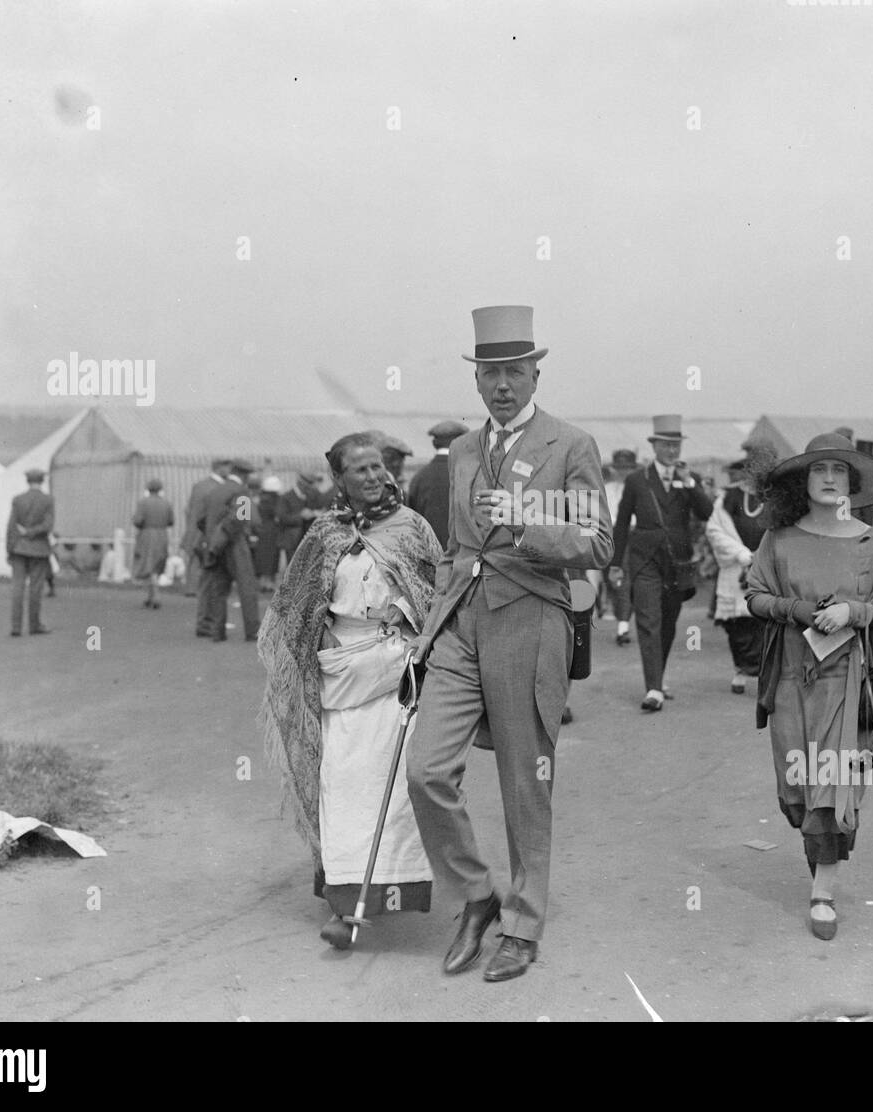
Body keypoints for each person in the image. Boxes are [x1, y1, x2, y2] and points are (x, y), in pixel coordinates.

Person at [404, 304, 612, 982]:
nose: (502, 385)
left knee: (526, 782)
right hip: (463, 625)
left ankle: (522, 925)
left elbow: (597, 543)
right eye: (490, 373)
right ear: (476, 380)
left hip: (530, 618)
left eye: (514, 372)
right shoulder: (464, 450)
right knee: (427, 769)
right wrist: (433, 622)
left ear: (534, 374)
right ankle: (476, 894)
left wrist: (527, 523)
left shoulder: (570, 445)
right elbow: (457, 548)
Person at [258, 433, 442, 949]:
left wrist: (413, 630)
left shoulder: (413, 529)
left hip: (396, 673)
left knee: (393, 786)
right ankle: (343, 893)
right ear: (339, 479)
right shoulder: (325, 533)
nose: (374, 476)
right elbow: (294, 607)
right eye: (359, 469)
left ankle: (375, 898)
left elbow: (437, 596)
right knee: (341, 784)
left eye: (378, 466)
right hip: (340, 673)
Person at [745, 433, 873, 940]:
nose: (830, 478)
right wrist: (797, 611)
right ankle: (820, 858)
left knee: (833, 785)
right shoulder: (780, 539)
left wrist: (852, 613)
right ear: (804, 480)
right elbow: (754, 596)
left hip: (847, 680)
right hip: (790, 675)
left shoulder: (869, 542)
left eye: (839, 469)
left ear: (852, 482)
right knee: (798, 787)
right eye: (820, 470)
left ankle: (823, 893)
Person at [611, 414, 714, 710]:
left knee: (668, 623)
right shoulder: (636, 480)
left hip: (677, 564)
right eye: (666, 445)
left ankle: (659, 676)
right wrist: (617, 563)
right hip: (644, 561)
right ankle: (653, 689)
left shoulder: (687, 480)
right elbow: (620, 525)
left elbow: (708, 513)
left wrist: (690, 483)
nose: (671, 451)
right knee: (648, 621)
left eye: (676, 445)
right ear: (654, 446)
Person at [706, 454, 771, 694]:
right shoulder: (728, 498)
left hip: (766, 567)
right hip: (736, 567)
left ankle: (765, 670)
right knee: (738, 624)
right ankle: (741, 669)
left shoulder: (773, 497)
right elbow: (715, 530)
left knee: (764, 622)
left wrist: (764, 555)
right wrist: (741, 553)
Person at [197, 458, 261, 642]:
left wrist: (213, 539)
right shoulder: (241, 492)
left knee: (218, 589)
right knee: (247, 588)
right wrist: (228, 536)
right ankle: (252, 630)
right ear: (244, 475)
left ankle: (217, 632)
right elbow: (240, 519)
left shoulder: (213, 491)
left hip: (214, 546)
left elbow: (200, 520)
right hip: (235, 544)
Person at [6, 469, 55, 636]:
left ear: (27, 481)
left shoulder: (18, 500)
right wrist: (32, 532)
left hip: (19, 548)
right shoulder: (48, 500)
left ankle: (16, 626)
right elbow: (48, 526)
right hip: (39, 549)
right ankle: (34, 625)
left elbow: (11, 527)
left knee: (17, 587)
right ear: (42, 481)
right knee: (36, 589)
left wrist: (9, 549)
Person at [407, 420, 469, 548]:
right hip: (461, 556)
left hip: (428, 554)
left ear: (435, 443)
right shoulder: (469, 474)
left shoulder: (419, 477)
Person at [604, 449, 638, 645]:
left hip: (632, 536)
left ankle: (623, 626)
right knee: (612, 582)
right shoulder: (607, 489)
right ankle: (620, 618)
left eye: (627, 468)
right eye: (619, 468)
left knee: (624, 580)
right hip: (609, 537)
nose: (623, 472)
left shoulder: (640, 487)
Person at [183, 459, 230, 599]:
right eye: (227, 467)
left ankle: (192, 588)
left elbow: (189, 509)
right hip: (208, 528)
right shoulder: (221, 488)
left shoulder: (199, 485)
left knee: (195, 558)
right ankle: (203, 589)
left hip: (195, 527)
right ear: (219, 468)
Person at [131, 479, 174, 609]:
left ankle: (155, 596)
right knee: (157, 564)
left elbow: (138, 521)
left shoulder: (143, 503)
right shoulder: (166, 503)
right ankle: (151, 596)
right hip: (162, 535)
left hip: (147, 535)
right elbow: (171, 521)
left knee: (148, 565)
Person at [276, 471, 327, 567]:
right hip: (292, 540)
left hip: (308, 540)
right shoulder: (286, 497)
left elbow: (322, 506)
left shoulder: (312, 496)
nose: (310, 489)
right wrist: (300, 516)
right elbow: (282, 518)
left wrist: (317, 513)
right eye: (307, 486)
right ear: (301, 484)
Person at [255, 476, 283, 592]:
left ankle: (264, 582)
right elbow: (278, 514)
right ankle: (268, 583)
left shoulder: (261, 498)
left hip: (263, 532)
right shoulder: (273, 500)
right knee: (271, 558)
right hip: (271, 532)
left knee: (264, 558)